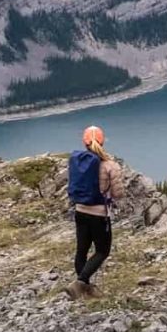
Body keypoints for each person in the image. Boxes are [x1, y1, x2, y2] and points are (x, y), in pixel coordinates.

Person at [67, 124, 119, 293]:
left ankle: (84, 288)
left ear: (85, 142)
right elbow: (119, 193)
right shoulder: (109, 165)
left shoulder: (77, 161)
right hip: (99, 214)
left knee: (81, 250)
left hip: (80, 211)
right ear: (103, 142)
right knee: (102, 250)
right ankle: (80, 282)